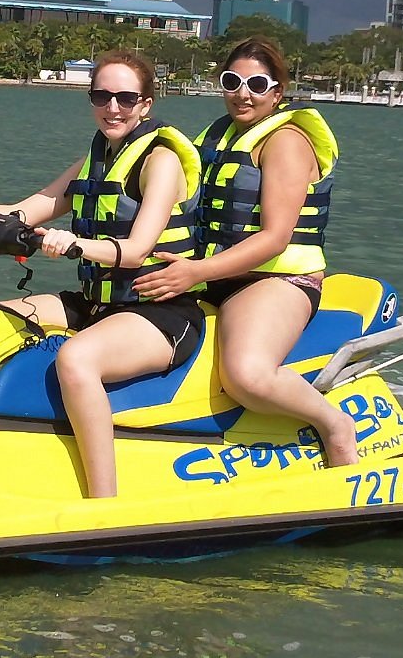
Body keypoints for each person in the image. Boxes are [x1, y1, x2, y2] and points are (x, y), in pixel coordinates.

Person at [0, 49, 202, 497]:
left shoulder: (161, 161)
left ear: (146, 104)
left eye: (125, 98)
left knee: (77, 360)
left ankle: (105, 502)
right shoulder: (95, 159)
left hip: (159, 311)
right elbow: (27, 210)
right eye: (101, 95)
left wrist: (72, 243)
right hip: (97, 303)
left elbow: (137, 250)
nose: (112, 107)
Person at [131, 36, 359, 468]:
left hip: (277, 280)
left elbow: (275, 238)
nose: (243, 93)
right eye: (233, 81)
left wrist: (196, 272)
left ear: (278, 91)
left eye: (257, 84)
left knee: (246, 376)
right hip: (214, 273)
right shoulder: (217, 135)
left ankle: (334, 426)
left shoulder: (286, 141)